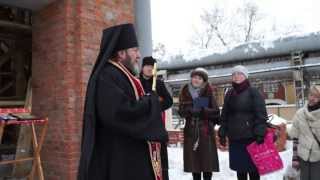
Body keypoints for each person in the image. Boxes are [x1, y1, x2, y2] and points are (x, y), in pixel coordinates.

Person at [77, 23, 168, 180]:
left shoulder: (122, 73)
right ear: (121, 53)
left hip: (129, 156)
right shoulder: (107, 75)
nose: (139, 55)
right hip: (119, 159)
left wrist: (148, 100)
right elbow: (119, 113)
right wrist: (150, 102)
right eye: (135, 50)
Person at [218, 65, 268, 180]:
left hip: (251, 138)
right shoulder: (229, 93)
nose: (236, 76)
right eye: (233, 74)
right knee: (240, 169)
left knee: (253, 169)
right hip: (235, 138)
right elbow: (225, 114)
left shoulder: (253, 92)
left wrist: (260, 133)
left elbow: (261, 114)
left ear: (245, 76)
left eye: (239, 74)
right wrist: (222, 131)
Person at [178, 68, 220, 180]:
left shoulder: (208, 92)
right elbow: (181, 111)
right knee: (194, 165)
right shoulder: (184, 91)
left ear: (204, 81)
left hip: (206, 132)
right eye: (194, 77)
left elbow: (216, 112)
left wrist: (202, 111)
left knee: (207, 164)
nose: (196, 80)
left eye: (199, 78)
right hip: (191, 132)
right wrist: (189, 110)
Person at [139, 56, 173, 180]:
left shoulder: (158, 83)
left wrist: (156, 107)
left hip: (157, 126)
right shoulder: (136, 81)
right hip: (141, 125)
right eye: (147, 66)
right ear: (142, 67)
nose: (149, 69)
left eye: (152, 67)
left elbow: (169, 101)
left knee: (159, 158)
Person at [288, 85, 320, 180]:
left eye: (316, 96)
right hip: (303, 156)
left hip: (318, 157)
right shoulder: (300, 114)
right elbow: (295, 137)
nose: (312, 98)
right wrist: (295, 158)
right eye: (311, 95)